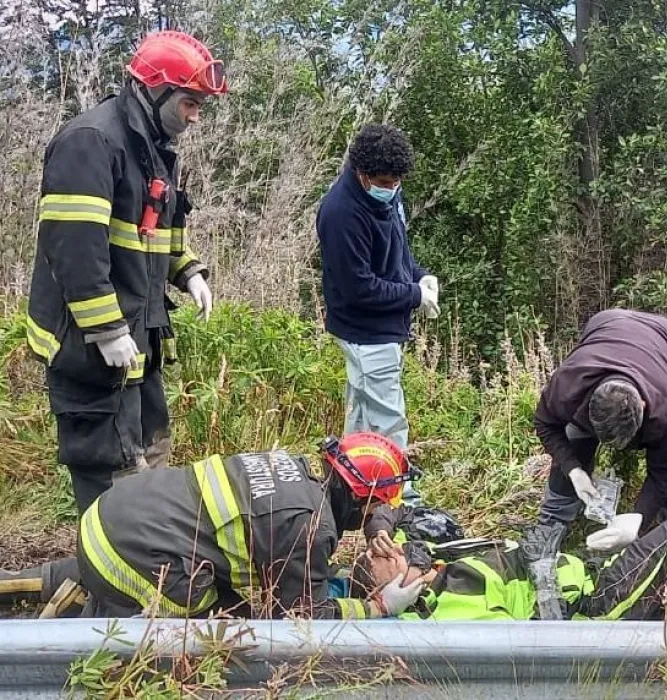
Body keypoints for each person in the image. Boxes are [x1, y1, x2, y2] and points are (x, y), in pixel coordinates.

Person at [26, 30, 220, 514]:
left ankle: (141, 569)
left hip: (139, 338)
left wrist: (188, 271)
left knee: (147, 462)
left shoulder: (150, 145)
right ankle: (108, 584)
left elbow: (155, 231)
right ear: (155, 90)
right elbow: (74, 251)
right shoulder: (91, 142)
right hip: (89, 347)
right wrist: (106, 329)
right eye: (190, 103)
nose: (195, 116)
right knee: (108, 475)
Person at [0, 433, 424, 620]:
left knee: (113, 562)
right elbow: (300, 620)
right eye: (378, 507)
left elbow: (375, 507)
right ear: (361, 499)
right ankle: (84, 614)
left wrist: (377, 526)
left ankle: (36, 581)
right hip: (135, 556)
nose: (379, 513)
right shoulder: (309, 529)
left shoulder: (292, 471)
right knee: (234, 628)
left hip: (111, 517)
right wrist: (378, 607)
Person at [349, 499, 667, 621]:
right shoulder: (445, 610)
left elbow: (395, 502)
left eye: (392, 548)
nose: (396, 552)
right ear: (388, 592)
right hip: (594, 613)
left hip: (590, 571)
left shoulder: (423, 556)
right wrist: (543, 576)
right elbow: (534, 650)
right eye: (388, 561)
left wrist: (378, 529)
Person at [316, 124, 437, 504]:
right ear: (361, 173)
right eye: (384, 181)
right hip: (365, 330)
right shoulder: (341, 214)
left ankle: (351, 488)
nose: (391, 186)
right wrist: (414, 295)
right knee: (387, 418)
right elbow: (360, 287)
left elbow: (398, 246)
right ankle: (401, 501)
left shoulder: (387, 194)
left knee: (363, 414)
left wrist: (419, 275)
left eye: (397, 181)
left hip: (385, 323)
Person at [535, 309, 667, 533]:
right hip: (609, 323)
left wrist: (638, 520)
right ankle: (550, 525)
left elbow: (663, 472)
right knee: (574, 441)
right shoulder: (569, 384)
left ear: (643, 406)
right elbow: (545, 424)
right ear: (588, 403)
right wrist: (573, 469)